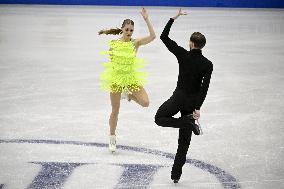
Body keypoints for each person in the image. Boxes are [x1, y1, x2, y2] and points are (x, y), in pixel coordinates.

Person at [154, 9, 213, 183]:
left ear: (191, 43)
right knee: (184, 143)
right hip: (191, 103)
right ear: (201, 46)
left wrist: (173, 18)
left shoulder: (183, 55)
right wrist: (197, 108)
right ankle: (176, 174)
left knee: (159, 117)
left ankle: (184, 122)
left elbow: (164, 37)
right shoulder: (207, 64)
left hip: (178, 97)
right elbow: (204, 88)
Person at [98, 8, 156, 153]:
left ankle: (129, 95)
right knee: (115, 110)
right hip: (116, 79)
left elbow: (153, 36)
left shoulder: (135, 43)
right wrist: (120, 83)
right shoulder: (113, 44)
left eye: (131, 30)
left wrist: (147, 19)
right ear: (122, 29)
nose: (129, 32)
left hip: (131, 78)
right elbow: (112, 62)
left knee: (145, 102)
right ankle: (112, 137)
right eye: (127, 29)